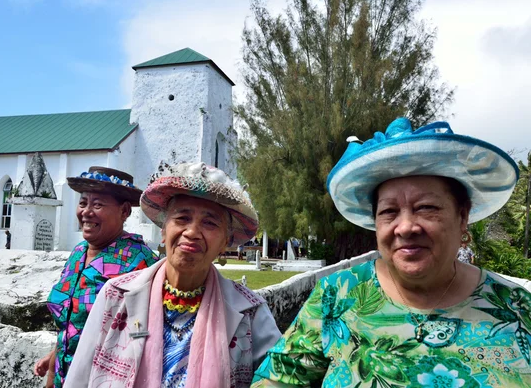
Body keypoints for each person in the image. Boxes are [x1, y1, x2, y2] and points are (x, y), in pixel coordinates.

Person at [252, 118, 531, 387]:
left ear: (462, 217)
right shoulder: (338, 295)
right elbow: (278, 380)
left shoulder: (517, 309)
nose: (406, 227)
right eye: (389, 212)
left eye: (426, 208)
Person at [64, 162, 281, 388]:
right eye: (182, 218)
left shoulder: (250, 311)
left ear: (225, 242)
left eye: (209, 223)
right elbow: (79, 377)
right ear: (164, 230)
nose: (192, 232)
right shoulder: (115, 295)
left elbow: (279, 379)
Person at [33, 167, 159, 388]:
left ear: (125, 211)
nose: (86, 212)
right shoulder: (78, 254)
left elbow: (145, 331)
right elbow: (73, 322)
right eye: (83, 203)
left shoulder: (140, 261)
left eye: (98, 204)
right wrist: (54, 360)